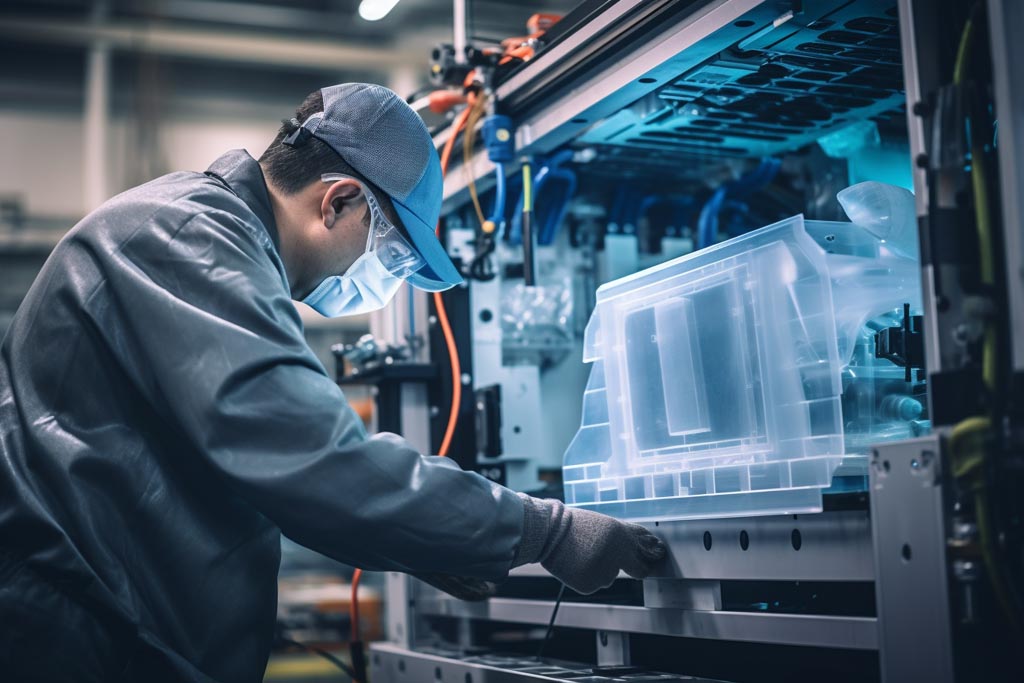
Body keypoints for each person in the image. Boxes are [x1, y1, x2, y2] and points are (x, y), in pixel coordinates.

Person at [0, 83, 665, 682]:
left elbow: (255, 467)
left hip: (107, 627)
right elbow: (314, 460)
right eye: (393, 253)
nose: (385, 277)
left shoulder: (206, 237)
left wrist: (429, 540)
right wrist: (548, 531)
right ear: (338, 201)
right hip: (77, 638)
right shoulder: (186, 239)